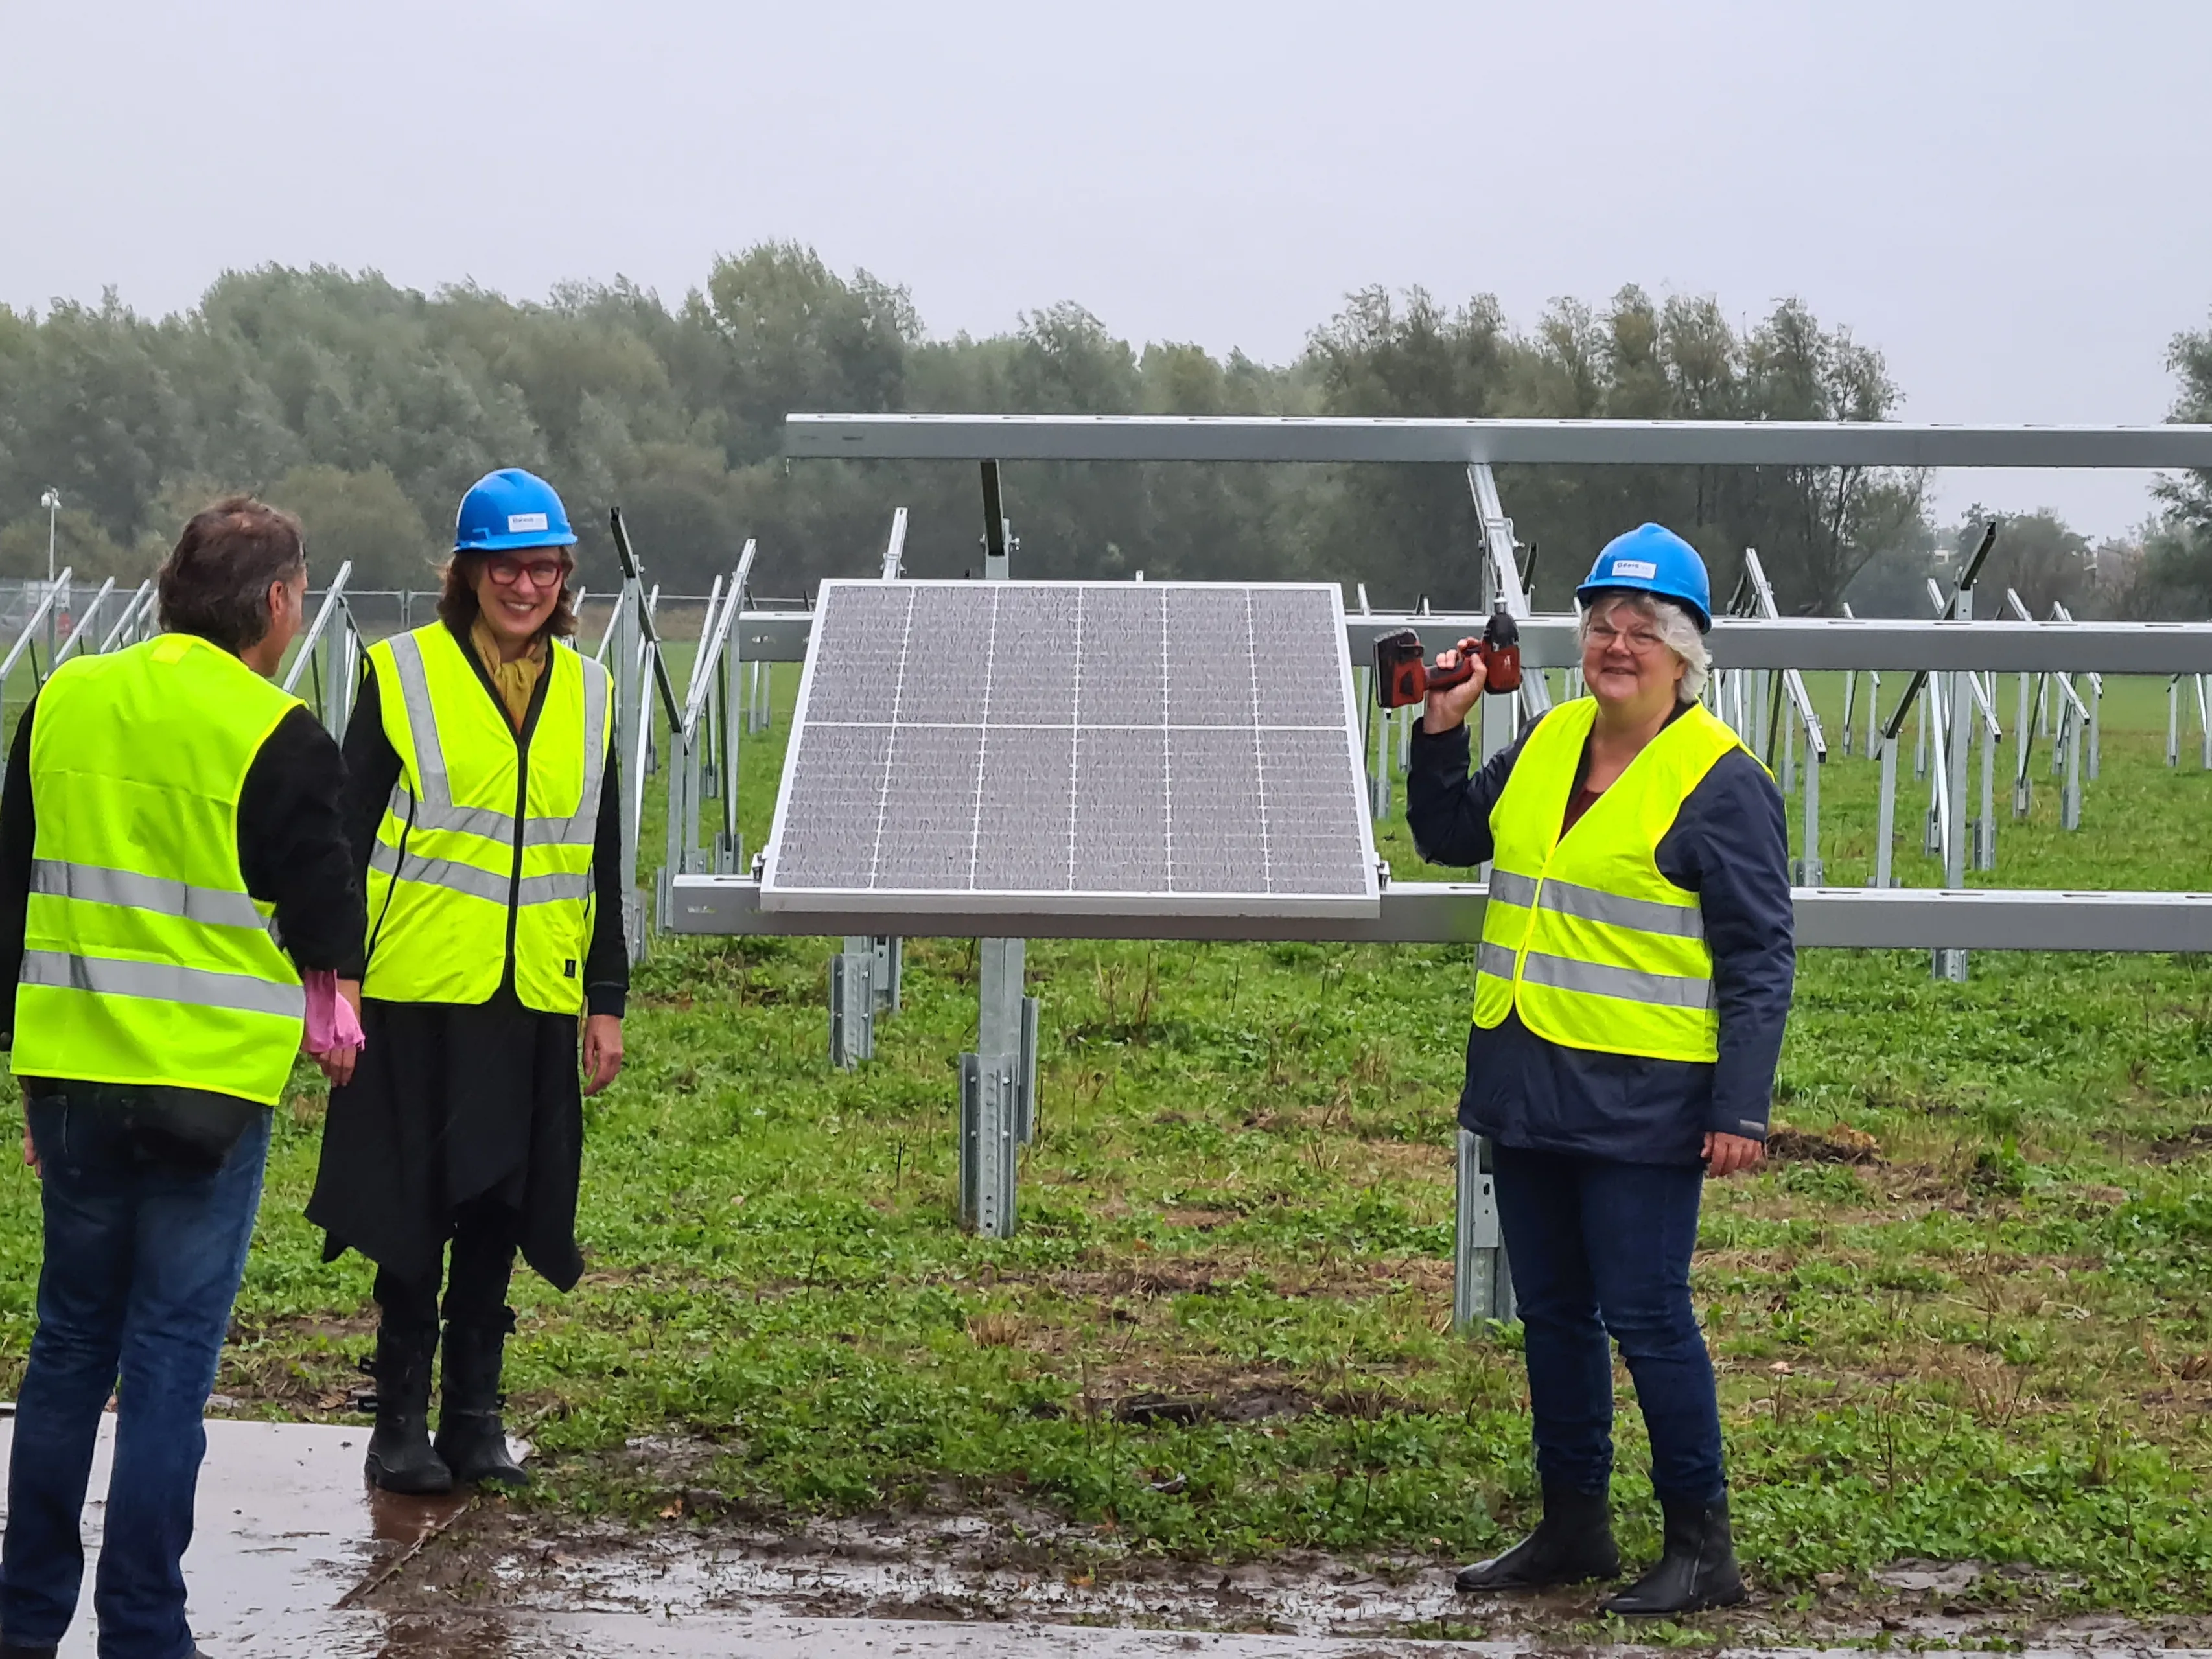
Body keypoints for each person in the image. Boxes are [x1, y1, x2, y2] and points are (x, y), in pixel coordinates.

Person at [1406, 524, 1794, 1617]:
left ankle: (1701, 1547)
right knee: (1556, 1314)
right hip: (1526, 1078)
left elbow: (1761, 959)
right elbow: (1447, 835)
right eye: (1602, 626)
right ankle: (1573, 1526)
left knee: (1648, 1315)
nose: (1616, 645)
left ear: (1685, 655)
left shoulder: (1723, 781)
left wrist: (1741, 1111)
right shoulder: (1547, 739)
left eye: (1642, 631)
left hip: (1644, 1101)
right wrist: (1441, 732)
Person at [0, 498, 364, 1659]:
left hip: (67, 1078)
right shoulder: (281, 733)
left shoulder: (63, 698)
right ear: (275, 604)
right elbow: (326, 915)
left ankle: (22, 1618)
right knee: (165, 1361)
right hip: (207, 1100)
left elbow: (10, 890)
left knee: (66, 1351)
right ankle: (146, 1629)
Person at [308, 467, 627, 1496]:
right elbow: (345, 834)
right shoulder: (401, 673)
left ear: (564, 576)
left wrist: (606, 1001)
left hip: (533, 990)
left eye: (542, 569)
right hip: (416, 989)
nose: (524, 587)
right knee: (416, 1203)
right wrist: (337, 978)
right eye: (504, 568)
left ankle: (475, 1418)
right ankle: (398, 1419)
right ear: (467, 573)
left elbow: (603, 856)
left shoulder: (592, 690)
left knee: (502, 1202)